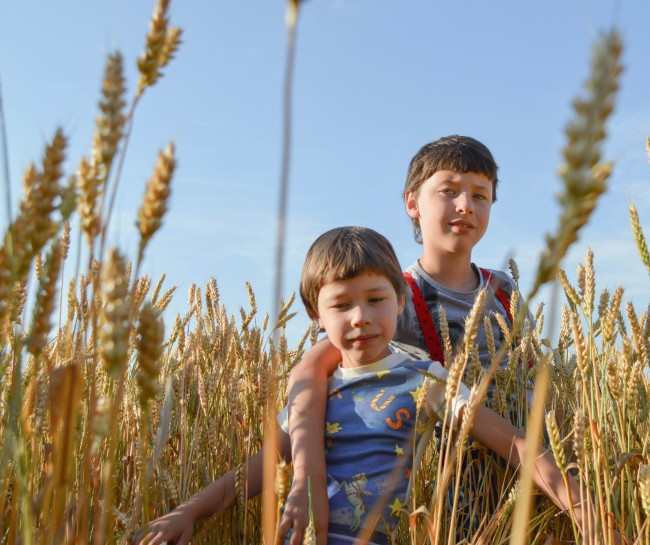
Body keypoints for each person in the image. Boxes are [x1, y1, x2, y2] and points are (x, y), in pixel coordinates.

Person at [134, 226, 593, 545]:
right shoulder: (313, 395)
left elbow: (512, 443)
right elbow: (257, 468)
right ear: (317, 317)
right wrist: (190, 511)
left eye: (376, 299)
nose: (361, 317)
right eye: (340, 305)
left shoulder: (426, 378)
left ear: (400, 300)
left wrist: (581, 507)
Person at [284, 135, 532, 544]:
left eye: (480, 195)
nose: (465, 205)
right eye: (448, 191)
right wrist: (306, 472)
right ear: (412, 203)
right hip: (438, 484)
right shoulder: (392, 297)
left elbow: (523, 367)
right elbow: (315, 366)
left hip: (510, 467)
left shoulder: (504, 288)